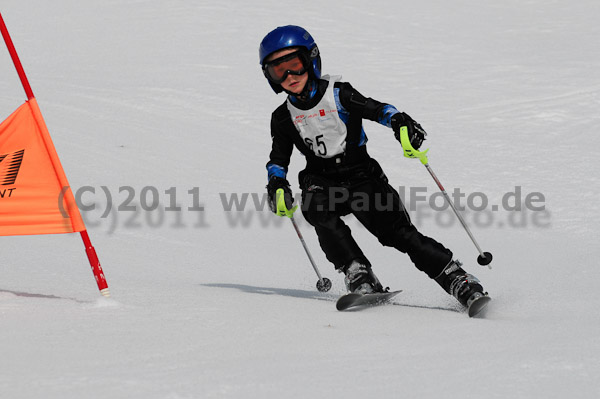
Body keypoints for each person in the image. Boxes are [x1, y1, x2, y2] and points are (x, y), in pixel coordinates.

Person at [259, 25, 488, 308]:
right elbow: (278, 159)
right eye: (277, 70)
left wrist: (399, 122)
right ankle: (357, 272)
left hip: (362, 176)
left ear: (311, 60)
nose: (289, 76)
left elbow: (378, 109)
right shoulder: (282, 117)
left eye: (294, 65)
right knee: (315, 207)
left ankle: (457, 279)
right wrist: (276, 184)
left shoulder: (339, 95)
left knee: (398, 235)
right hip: (321, 179)